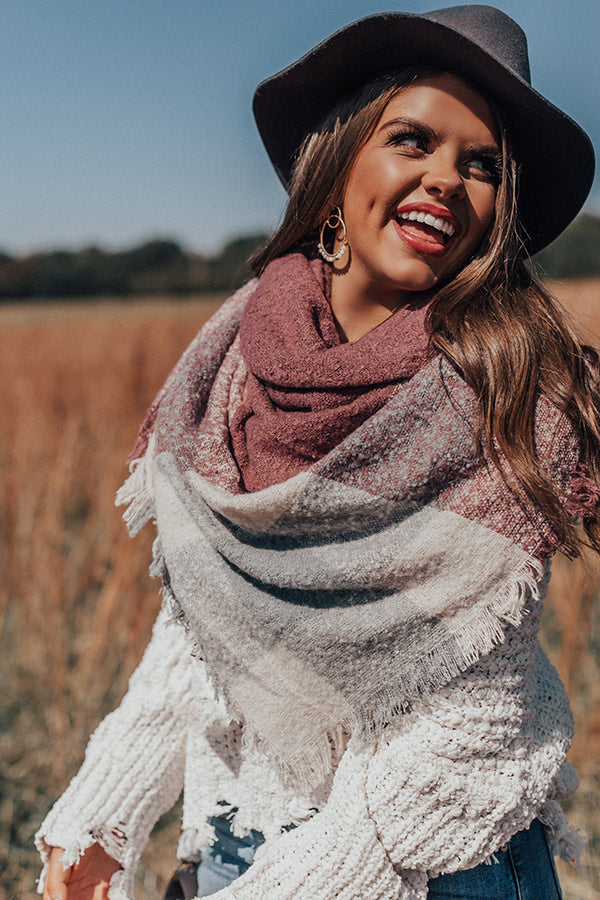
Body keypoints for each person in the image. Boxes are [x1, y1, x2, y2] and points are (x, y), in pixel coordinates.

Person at [37, 6, 600, 900]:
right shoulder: (228, 368)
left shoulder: (510, 387)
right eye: (412, 140)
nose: (446, 179)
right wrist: (100, 819)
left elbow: (468, 726)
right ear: (336, 163)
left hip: (433, 861)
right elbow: (201, 632)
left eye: (482, 164)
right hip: (238, 841)